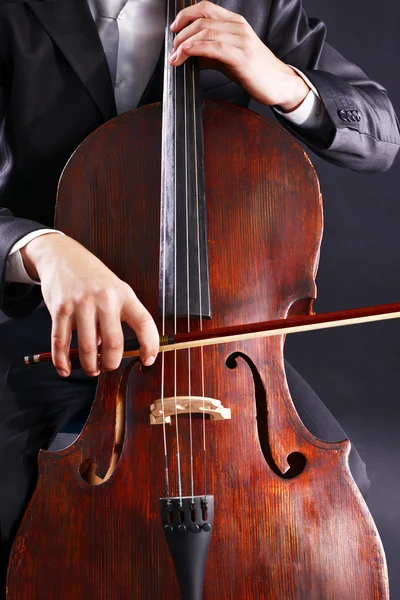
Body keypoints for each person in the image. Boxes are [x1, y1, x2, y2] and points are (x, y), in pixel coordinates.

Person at [0, 0, 399, 595]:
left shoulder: (251, 5)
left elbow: (380, 136)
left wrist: (283, 80)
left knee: (338, 506)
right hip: (55, 336)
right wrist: (40, 247)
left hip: (225, 353)